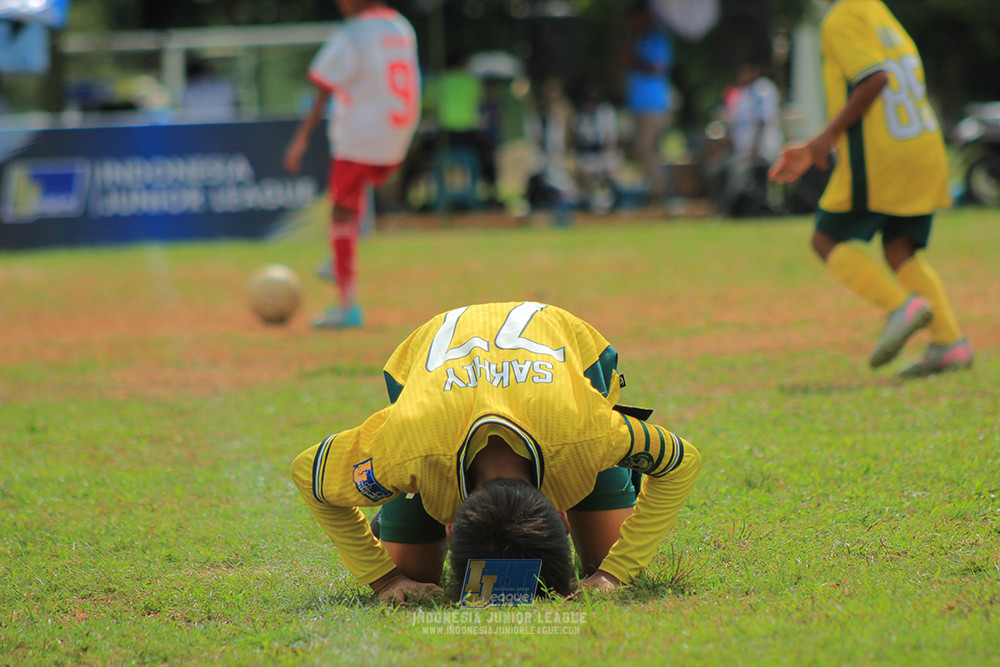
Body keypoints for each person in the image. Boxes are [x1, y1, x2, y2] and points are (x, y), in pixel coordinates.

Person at [291, 301, 701, 604]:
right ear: (452, 528)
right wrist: (385, 580)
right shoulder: (406, 450)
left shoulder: (589, 433)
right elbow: (307, 471)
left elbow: (683, 461)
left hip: (567, 407)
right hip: (434, 426)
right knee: (413, 579)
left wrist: (614, 574)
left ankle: (611, 474)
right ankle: (407, 498)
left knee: (602, 561)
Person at [768, 0, 972, 377]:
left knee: (824, 238)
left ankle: (902, 306)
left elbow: (874, 78)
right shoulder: (878, 11)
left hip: (883, 154)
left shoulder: (841, 17)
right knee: (899, 248)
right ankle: (949, 343)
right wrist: (818, 143)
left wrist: (827, 137)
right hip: (923, 146)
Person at [284, 0, 420, 329]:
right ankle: (339, 256)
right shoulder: (401, 26)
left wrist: (300, 139)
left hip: (361, 135)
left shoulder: (353, 33)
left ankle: (348, 306)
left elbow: (323, 86)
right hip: (398, 134)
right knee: (353, 200)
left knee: (341, 210)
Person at [623, 0, 675, 205]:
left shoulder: (657, 39)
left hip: (654, 105)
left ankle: (661, 193)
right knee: (642, 150)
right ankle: (654, 188)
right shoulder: (637, 39)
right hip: (639, 105)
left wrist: (634, 60)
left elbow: (658, 68)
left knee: (648, 148)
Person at [719, 62, 783, 217]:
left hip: (762, 148)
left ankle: (729, 210)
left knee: (737, 171)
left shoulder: (762, 89)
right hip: (744, 149)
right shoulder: (743, 92)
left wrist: (755, 149)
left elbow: (763, 121)